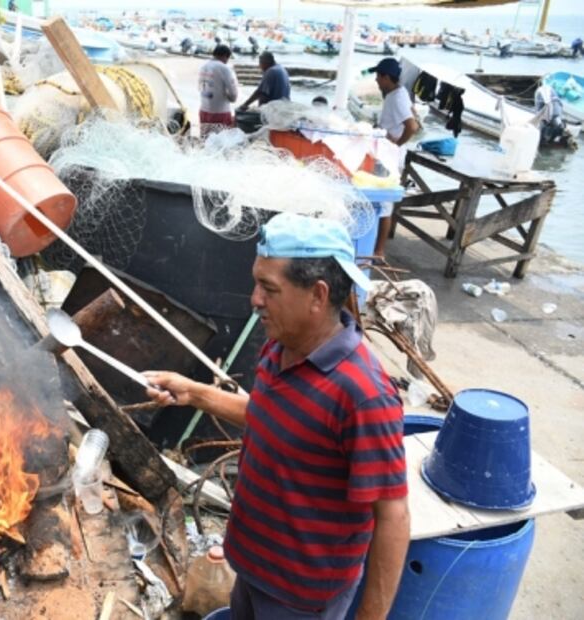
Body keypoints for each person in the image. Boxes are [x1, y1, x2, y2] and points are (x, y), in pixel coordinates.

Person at [145, 213, 409, 620]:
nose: (255, 299)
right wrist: (194, 393)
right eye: (256, 284)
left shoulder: (363, 395)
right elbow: (266, 416)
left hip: (300, 599)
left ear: (318, 295)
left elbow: (392, 517)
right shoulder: (281, 344)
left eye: (269, 288)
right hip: (251, 568)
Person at [369, 58, 418, 260]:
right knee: (381, 201)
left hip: (390, 157)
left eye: (378, 76)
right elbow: (413, 115)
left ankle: (379, 251)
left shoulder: (397, 97)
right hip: (386, 152)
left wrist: (396, 144)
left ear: (387, 77)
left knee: (384, 203)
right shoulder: (398, 93)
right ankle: (376, 247)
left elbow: (412, 126)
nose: (376, 80)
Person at [198, 45, 239, 138]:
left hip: (204, 111)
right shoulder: (224, 68)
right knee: (220, 141)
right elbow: (233, 95)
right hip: (220, 113)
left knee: (205, 140)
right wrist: (229, 96)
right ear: (225, 56)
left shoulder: (203, 67)